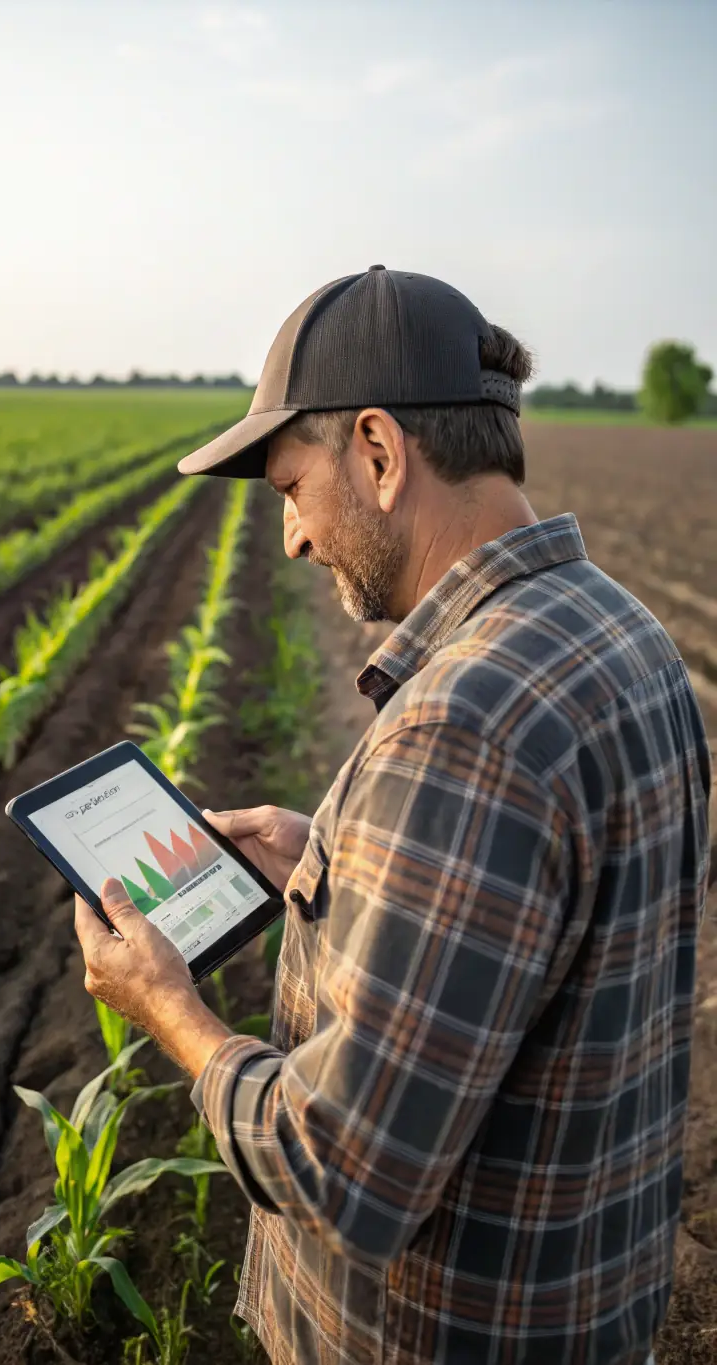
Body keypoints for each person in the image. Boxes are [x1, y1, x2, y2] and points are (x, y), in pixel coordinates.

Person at [73, 267, 711, 1365]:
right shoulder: (623, 633)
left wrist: (168, 1011)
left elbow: (344, 1171)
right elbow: (537, 952)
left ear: (376, 451)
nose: (291, 539)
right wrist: (327, 863)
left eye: (287, 490)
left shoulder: (462, 725)